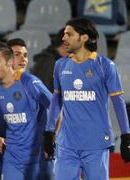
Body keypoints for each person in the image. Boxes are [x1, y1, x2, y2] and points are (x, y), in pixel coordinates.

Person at [44, 17, 130, 180]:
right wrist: (49, 132)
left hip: (96, 144)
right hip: (66, 145)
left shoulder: (105, 66)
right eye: (64, 34)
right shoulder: (60, 65)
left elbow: (118, 103)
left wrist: (126, 136)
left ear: (83, 37)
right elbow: (56, 100)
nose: (63, 38)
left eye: (69, 34)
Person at [0, 41, 52, 179]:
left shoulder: (30, 83)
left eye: (25, 55)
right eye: (18, 55)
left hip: (33, 154)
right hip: (1, 152)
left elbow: (54, 108)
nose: (23, 59)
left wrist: (49, 137)